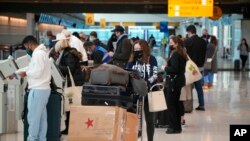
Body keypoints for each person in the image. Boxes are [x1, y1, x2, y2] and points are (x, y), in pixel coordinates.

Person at [9, 35, 51, 141]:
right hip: (43, 89)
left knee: (33, 118)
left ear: (29, 44)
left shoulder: (38, 54)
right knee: (41, 118)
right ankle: (41, 138)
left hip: (38, 89)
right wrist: (16, 74)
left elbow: (36, 72)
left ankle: (32, 139)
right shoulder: (41, 53)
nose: (26, 49)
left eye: (26, 47)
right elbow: (31, 68)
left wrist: (25, 73)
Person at [127, 39, 158, 141]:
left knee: (150, 120)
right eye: (135, 49)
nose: (137, 51)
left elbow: (155, 74)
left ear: (144, 49)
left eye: (139, 49)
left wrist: (146, 83)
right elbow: (128, 73)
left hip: (149, 93)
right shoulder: (132, 60)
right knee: (135, 119)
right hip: (135, 94)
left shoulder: (152, 59)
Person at [54, 39, 84, 134]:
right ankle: (70, 128)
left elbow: (69, 69)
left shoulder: (68, 55)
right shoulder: (68, 53)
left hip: (72, 83)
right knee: (70, 105)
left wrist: (56, 66)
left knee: (71, 105)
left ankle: (70, 128)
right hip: (73, 82)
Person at [164, 36, 188, 134]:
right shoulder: (182, 53)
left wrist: (165, 68)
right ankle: (177, 127)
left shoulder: (175, 54)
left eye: (171, 42)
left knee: (171, 104)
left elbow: (174, 69)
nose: (170, 44)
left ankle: (173, 127)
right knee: (176, 104)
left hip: (174, 82)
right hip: (179, 81)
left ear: (176, 44)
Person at [184, 25, 207, 111]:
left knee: (188, 87)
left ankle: (188, 106)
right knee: (199, 88)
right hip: (199, 67)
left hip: (190, 68)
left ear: (189, 32)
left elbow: (185, 55)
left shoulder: (188, 41)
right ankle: (201, 105)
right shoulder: (203, 41)